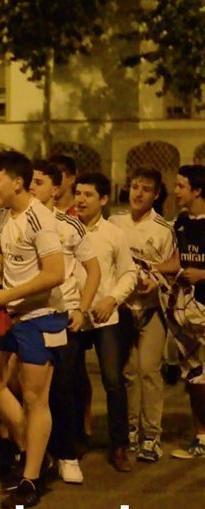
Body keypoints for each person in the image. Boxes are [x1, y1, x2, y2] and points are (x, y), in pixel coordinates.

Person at [0, 151, 66, 509]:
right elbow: (0, 250)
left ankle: (31, 478)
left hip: (41, 316)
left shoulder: (40, 219)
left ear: (18, 182)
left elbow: (55, 273)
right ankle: (33, 451)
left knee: (34, 398)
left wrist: (7, 294)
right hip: (10, 313)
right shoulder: (5, 214)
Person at [28, 160, 100, 484]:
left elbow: (93, 270)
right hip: (27, 315)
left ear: (55, 189)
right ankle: (35, 452)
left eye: (39, 182)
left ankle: (68, 455)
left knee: (62, 386)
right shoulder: (19, 221)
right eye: (29, 181)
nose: (31, 187)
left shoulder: (70, 226)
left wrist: (81, 309)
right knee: (31, 391)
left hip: (63, 315)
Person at [110, 167, 175, 462]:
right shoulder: (115, 223)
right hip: (122, 309)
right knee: (128, 372)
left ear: (156, 194)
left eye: (146, 189)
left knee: (149, 370)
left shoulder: (164, 229)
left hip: (151, 311)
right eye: (135, 186)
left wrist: (154, 283)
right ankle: (131, 430)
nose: (138, 193)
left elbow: (171, 272)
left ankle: (152, 435)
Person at [73, 172, 137, 472]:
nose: (81, 199)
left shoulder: (114, 234)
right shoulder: (64, 229)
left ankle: (119, 445)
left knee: (113, 380)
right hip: (73, 314)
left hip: (105, 315)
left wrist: (112, 299)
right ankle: (75, 438)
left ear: (103, 199)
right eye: (78, 193)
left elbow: (129, 273)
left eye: (88, 195)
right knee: (69, 380)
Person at [158, 165, 205, 459]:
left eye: (181, 186)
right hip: (186, 313)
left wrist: (202, 275)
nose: (175, 191)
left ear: (198, 190)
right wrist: (151, 268)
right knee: (196, 377)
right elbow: (178, 262)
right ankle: (201, 437)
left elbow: (196, 268)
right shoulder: (181, 222)